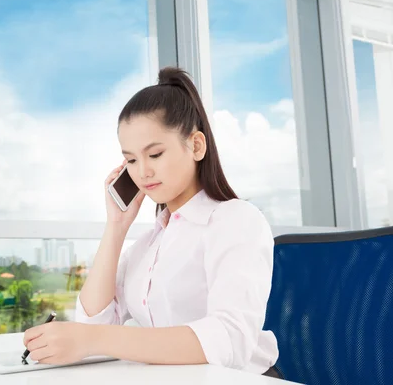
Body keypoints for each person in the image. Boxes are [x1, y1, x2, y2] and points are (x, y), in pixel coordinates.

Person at [23, 67, 281, 378]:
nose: (142, 172)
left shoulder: (235, 220)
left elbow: (230, 340)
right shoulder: (148, 243)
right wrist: (116, 227)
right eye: (131, 160)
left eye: (155, 154)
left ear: (197, 146)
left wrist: (93, 339)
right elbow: (93, 324)